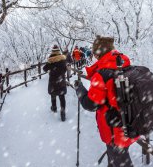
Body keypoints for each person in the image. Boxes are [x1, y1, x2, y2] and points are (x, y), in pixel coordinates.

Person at [74, 36, 138, 167]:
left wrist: (79, 89)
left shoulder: (102, 74)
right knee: (117, 157)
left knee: (120, 160)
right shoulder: (125, 65)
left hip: (115, 129)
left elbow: (90, 104)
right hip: (130, 123)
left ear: (97, 54)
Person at [43, 45, 67, 121]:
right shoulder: (63, 60)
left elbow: (44, 68)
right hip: (61, 81)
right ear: (58, 51)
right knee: (62, 97)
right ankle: (63, 113)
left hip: (53, 82)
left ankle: (54, 108)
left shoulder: (50, 60)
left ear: (52, 51)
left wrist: (50, 70)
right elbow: (65, 70)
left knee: (53, 95)